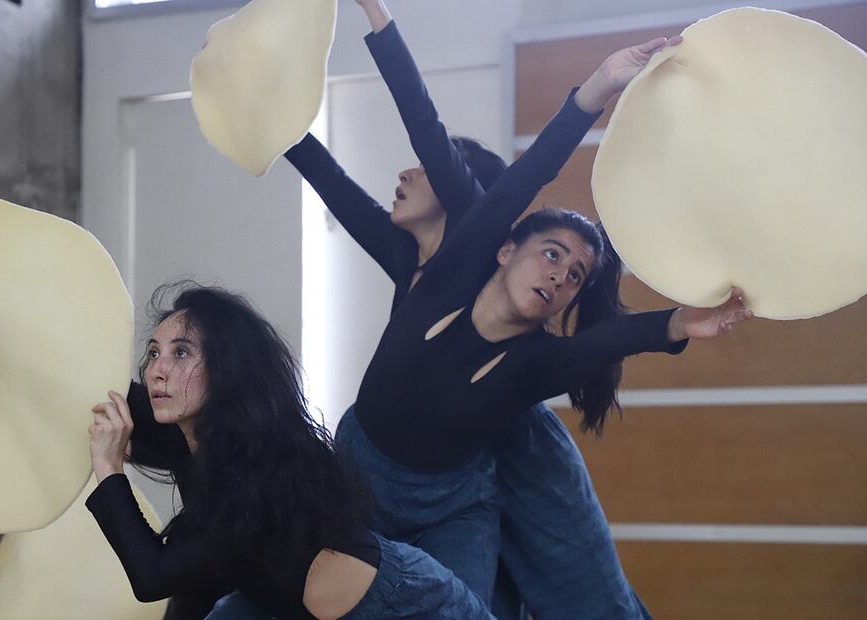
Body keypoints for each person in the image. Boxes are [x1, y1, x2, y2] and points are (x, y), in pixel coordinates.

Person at [282, 2, 686, 616]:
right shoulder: (409, 255)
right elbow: (332, 181)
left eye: (427, 171)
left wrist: (599, 86)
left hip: (500, 430)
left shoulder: (480, 236)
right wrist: (267, 117)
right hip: (418, 443)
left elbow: (433, 128)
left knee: (566, 581)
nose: (406, 174)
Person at [85, 283, 499, 619]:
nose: (158, 369)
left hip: (403, 605)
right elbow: (92, 394)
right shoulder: (189, 435)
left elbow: (152, 576)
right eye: (154, 352)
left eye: (182, 352)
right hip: (281, 605)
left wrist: (109, 465)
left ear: (227, 367)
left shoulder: (257, 468)